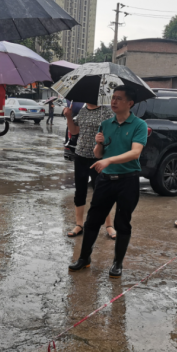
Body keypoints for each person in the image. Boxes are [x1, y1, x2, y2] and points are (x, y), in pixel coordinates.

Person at [68, 86, 148, 279]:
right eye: (113, 98)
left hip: (127, 180)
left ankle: (117, 263)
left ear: (130, 103)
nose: (113, 102)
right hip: (105, 180)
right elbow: (98, 154)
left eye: (119, 99)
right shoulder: (105, 123)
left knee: (123, 222)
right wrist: (99, 143)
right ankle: (84, 258)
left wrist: (109, 161)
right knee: (93, 219)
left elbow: (135, 153)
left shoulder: (139, 125)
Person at [64, 102, 117, 239]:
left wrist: (104, 139)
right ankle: (79, 224)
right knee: (80, 189)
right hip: (81, 155)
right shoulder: (82, 111)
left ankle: (109, 225)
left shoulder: (106, 112)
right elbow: (75, 131)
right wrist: (69, 117)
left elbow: (114, 131)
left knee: (101, 191)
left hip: (98, 157)